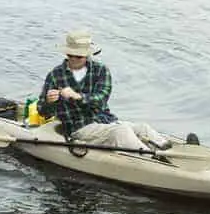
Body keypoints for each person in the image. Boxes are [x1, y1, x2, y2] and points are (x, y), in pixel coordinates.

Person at [37, 29, 171, 152]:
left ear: (87, 55)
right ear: (67, 53)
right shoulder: (55, 75)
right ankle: (150, 158)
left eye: (79, 56)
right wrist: (49, 102)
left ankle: (167, 150)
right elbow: (43, 112)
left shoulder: (101, 70)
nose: (74, 59)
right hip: (79, 127)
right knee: (120, 131)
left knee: (143, 128)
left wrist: (77, 96)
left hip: (106, 120)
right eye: (71, 54)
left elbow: (101, 100)